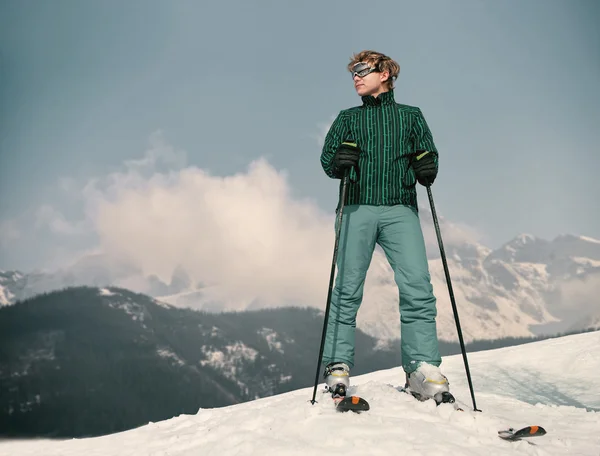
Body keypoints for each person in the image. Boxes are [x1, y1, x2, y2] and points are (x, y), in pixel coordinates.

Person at [319, 50, 451, 403]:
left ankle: (422, 368)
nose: (356, 77)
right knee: (346, 291)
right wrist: (339, 161)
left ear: (386, 73)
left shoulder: (411, 117)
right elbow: (327, 159)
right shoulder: (348, 119)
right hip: (356, 207)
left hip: (400, 209)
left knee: (418, 289)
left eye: (362, 70)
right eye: (352, 72)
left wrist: (427, 166)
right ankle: (337, 365)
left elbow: (429, 155)